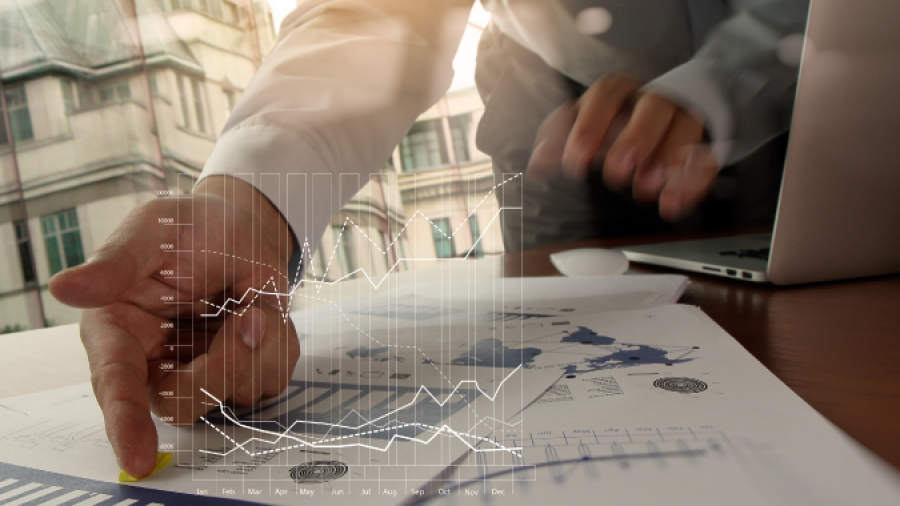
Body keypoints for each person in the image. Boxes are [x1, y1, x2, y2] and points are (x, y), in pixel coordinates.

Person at [49, 0, 810, 478]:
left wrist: (723, 85)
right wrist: (248, 205)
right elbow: (376, 15)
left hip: (813, 71)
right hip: (554, 94)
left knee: (806, 313)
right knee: (560, 347)